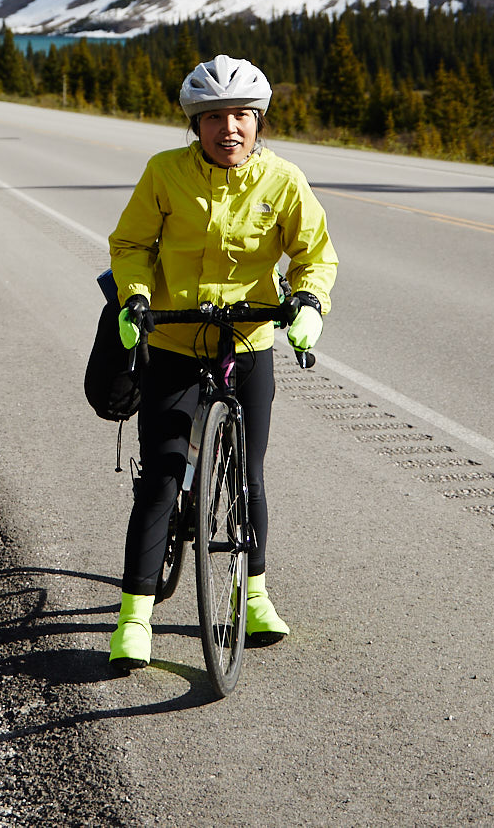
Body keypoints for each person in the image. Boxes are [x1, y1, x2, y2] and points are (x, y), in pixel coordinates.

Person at [105, 55, 337, 670]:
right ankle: (136, 615)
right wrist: (135, 297)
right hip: (177, 339)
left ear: (259, 122)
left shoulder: (284, 181)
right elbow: (130, 245)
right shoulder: (164, 173)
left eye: (241, 115)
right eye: (213, 117)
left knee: (250, 473)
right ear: (194, 125)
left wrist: (309, 303)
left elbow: (315, 254)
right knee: (161, 474)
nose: (227, 128)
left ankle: (254, 594)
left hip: (249, 339)